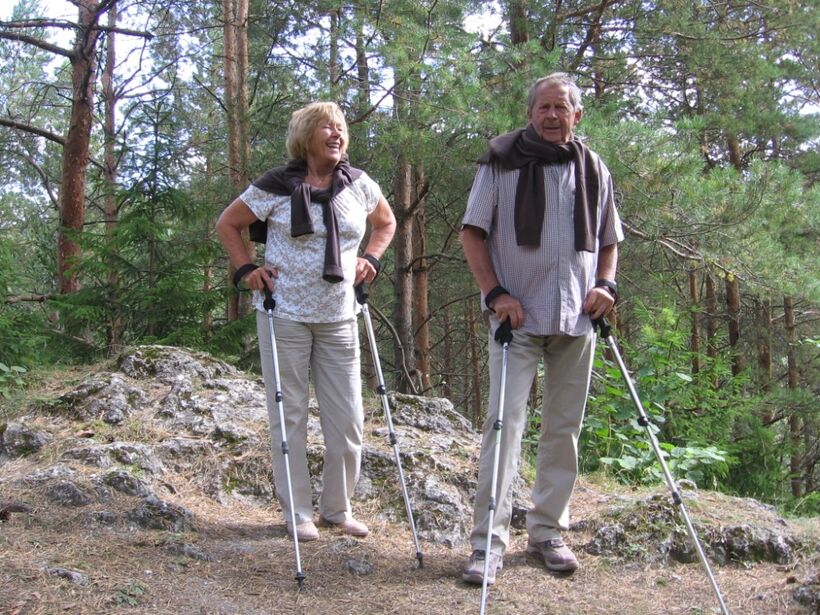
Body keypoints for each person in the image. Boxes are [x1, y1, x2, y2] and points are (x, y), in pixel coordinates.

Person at [459, 73, 624, 584]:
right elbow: (472, 232)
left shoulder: (594, 168)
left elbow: (609, 239)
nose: (552, 116)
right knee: (503, 427)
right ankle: (487, 543)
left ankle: (547, 531)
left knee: (564, 430)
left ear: (577, 115)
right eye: (543, 107)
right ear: (530, 113)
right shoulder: (500, 162)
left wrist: (606, 285)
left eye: (561, 108)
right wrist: (495, 294)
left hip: (577, 316)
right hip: (518, 318)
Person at [216, 102, 396, 541]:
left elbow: (386, 222)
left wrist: (371, 258)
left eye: (340, 128)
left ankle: (337, 507)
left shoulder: (359, 184)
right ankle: (296, 511)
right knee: (289, 414)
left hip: (338, 316)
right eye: (326, 128)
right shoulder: (275, 186)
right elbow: (228, 223)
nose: (336, 134)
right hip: (285, 315)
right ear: (305, 137)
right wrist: (247, 270)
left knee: (349, 418)